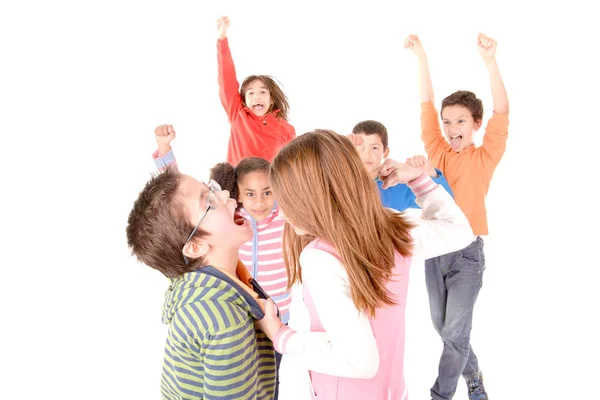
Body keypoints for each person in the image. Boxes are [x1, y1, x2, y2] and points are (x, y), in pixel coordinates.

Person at [254, 129, 474, 400]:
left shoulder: (319, 257)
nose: (283, 212)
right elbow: (459, 231)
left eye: (286, 200)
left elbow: (359, 361)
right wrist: (418, 180)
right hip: (392, 391)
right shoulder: (391, 227)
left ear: (312, 199)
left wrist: (279, 334)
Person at [405, 32, 509, 400]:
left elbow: (502, 112)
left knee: (454, 334)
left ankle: (442, 394)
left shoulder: (484, 156)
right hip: (434, 251)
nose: (452, 129)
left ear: (475, 124)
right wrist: (421, 57)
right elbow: (426, 103)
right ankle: (474, 370)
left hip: (467, 254)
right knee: (446, 330)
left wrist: (490, 62)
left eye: (461, 122)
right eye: (448, 122)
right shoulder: (438, 152)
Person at [152, 124, 290, 399]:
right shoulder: (225, 325)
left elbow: (184, 213)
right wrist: (165, 151)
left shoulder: (281, 220)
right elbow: (177, 208)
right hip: (249, 317)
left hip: (275, 315)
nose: (226, 197)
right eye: (248, 194)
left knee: (266, 376)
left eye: (267, 192)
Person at [126, 168, 277, 399]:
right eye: (209, 201)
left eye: (212, 188)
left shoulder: (196, 285)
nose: (226, 193)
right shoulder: (225, 322)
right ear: (195, 247)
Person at [217, 15, 295, 166]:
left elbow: (292, 166)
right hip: (238, 184)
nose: (257, 97)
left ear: (271, 99)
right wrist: (222, 39)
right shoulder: (238, 115)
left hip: (268, 186)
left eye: (262, 92)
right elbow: (226, 78)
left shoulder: (286, 129)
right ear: (244, 99)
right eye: (251, 93)